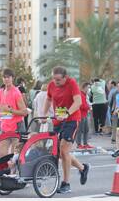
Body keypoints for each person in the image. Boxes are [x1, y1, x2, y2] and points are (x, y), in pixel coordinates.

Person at [42, 66, 89, 194]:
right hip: (58, 120)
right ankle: (83, 168)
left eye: (58, 80)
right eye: (53, 79)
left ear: (65, 77)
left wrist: (67, 113)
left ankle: (66, 183)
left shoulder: (72, 83)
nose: (55, 82)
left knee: (63, 150)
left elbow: (78, 102)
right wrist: (44, 114)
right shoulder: (51, 85)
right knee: (61, 152)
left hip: (72, 119)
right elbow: (48, 99)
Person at [0, 68, 28, 157]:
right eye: (4, 77)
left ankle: (14, 171)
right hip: (4, 127)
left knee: (15, 157)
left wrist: (10, 110)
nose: (6, 79)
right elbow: (2, 106)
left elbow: (24, 112)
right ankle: (6, 170)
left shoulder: (16, 92)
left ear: (12, 78)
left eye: (8, 77)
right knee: (1, 154)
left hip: (17, 128)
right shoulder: (1, 91)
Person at [76, 83, 94, 149]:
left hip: (85, 114)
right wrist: (89, 107)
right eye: (88, 88)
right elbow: (81, 105)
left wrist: (88, 106)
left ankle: (85, 143)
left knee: (86, 129)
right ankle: (78, 144)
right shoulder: (80, 95)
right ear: (85, 87)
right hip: (81, 115)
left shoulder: (84, 95)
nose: (89, 89)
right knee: (80, 130)